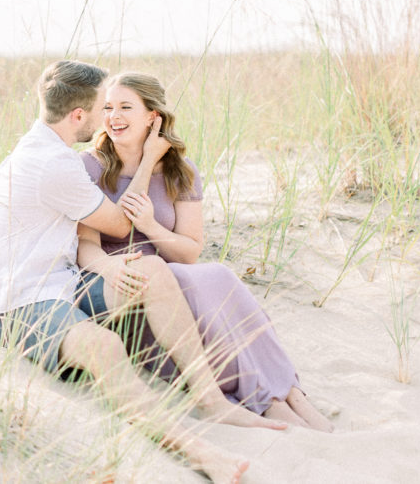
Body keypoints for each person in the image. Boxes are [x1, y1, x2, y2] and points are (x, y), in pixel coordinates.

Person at [0, 60, 285, 484]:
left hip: (67, 285)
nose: (110, 116)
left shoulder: (54, 154)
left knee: (153, 270)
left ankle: (210, 398)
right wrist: (145, 166)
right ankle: (201, 453)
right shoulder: (53, 164)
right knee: (103, 348)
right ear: (79, 116)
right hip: (19, 301)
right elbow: (121, 224)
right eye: (104, 106)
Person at [77, 71, 333, 431]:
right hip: (127, 285)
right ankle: (266, 397)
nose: (113, 117)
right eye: (107, 108)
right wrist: (148, 159)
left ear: (154, 116)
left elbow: (189, 252)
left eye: (125, 107)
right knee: (199, 277)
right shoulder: (89, 167)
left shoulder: (181, 172)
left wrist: (151, 226)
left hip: (178, 282)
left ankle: (290, 394)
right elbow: (86, 245)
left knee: (217, 276)